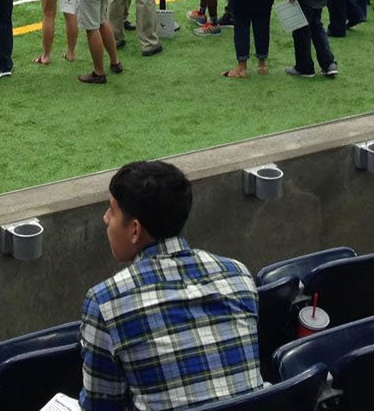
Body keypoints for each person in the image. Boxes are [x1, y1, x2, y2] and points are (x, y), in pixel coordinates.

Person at [79, 160, 262, 411]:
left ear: (135, 230)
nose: (105, 219)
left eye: (112, 210)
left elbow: (99, 407)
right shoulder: (239, 275)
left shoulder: (106, 302)